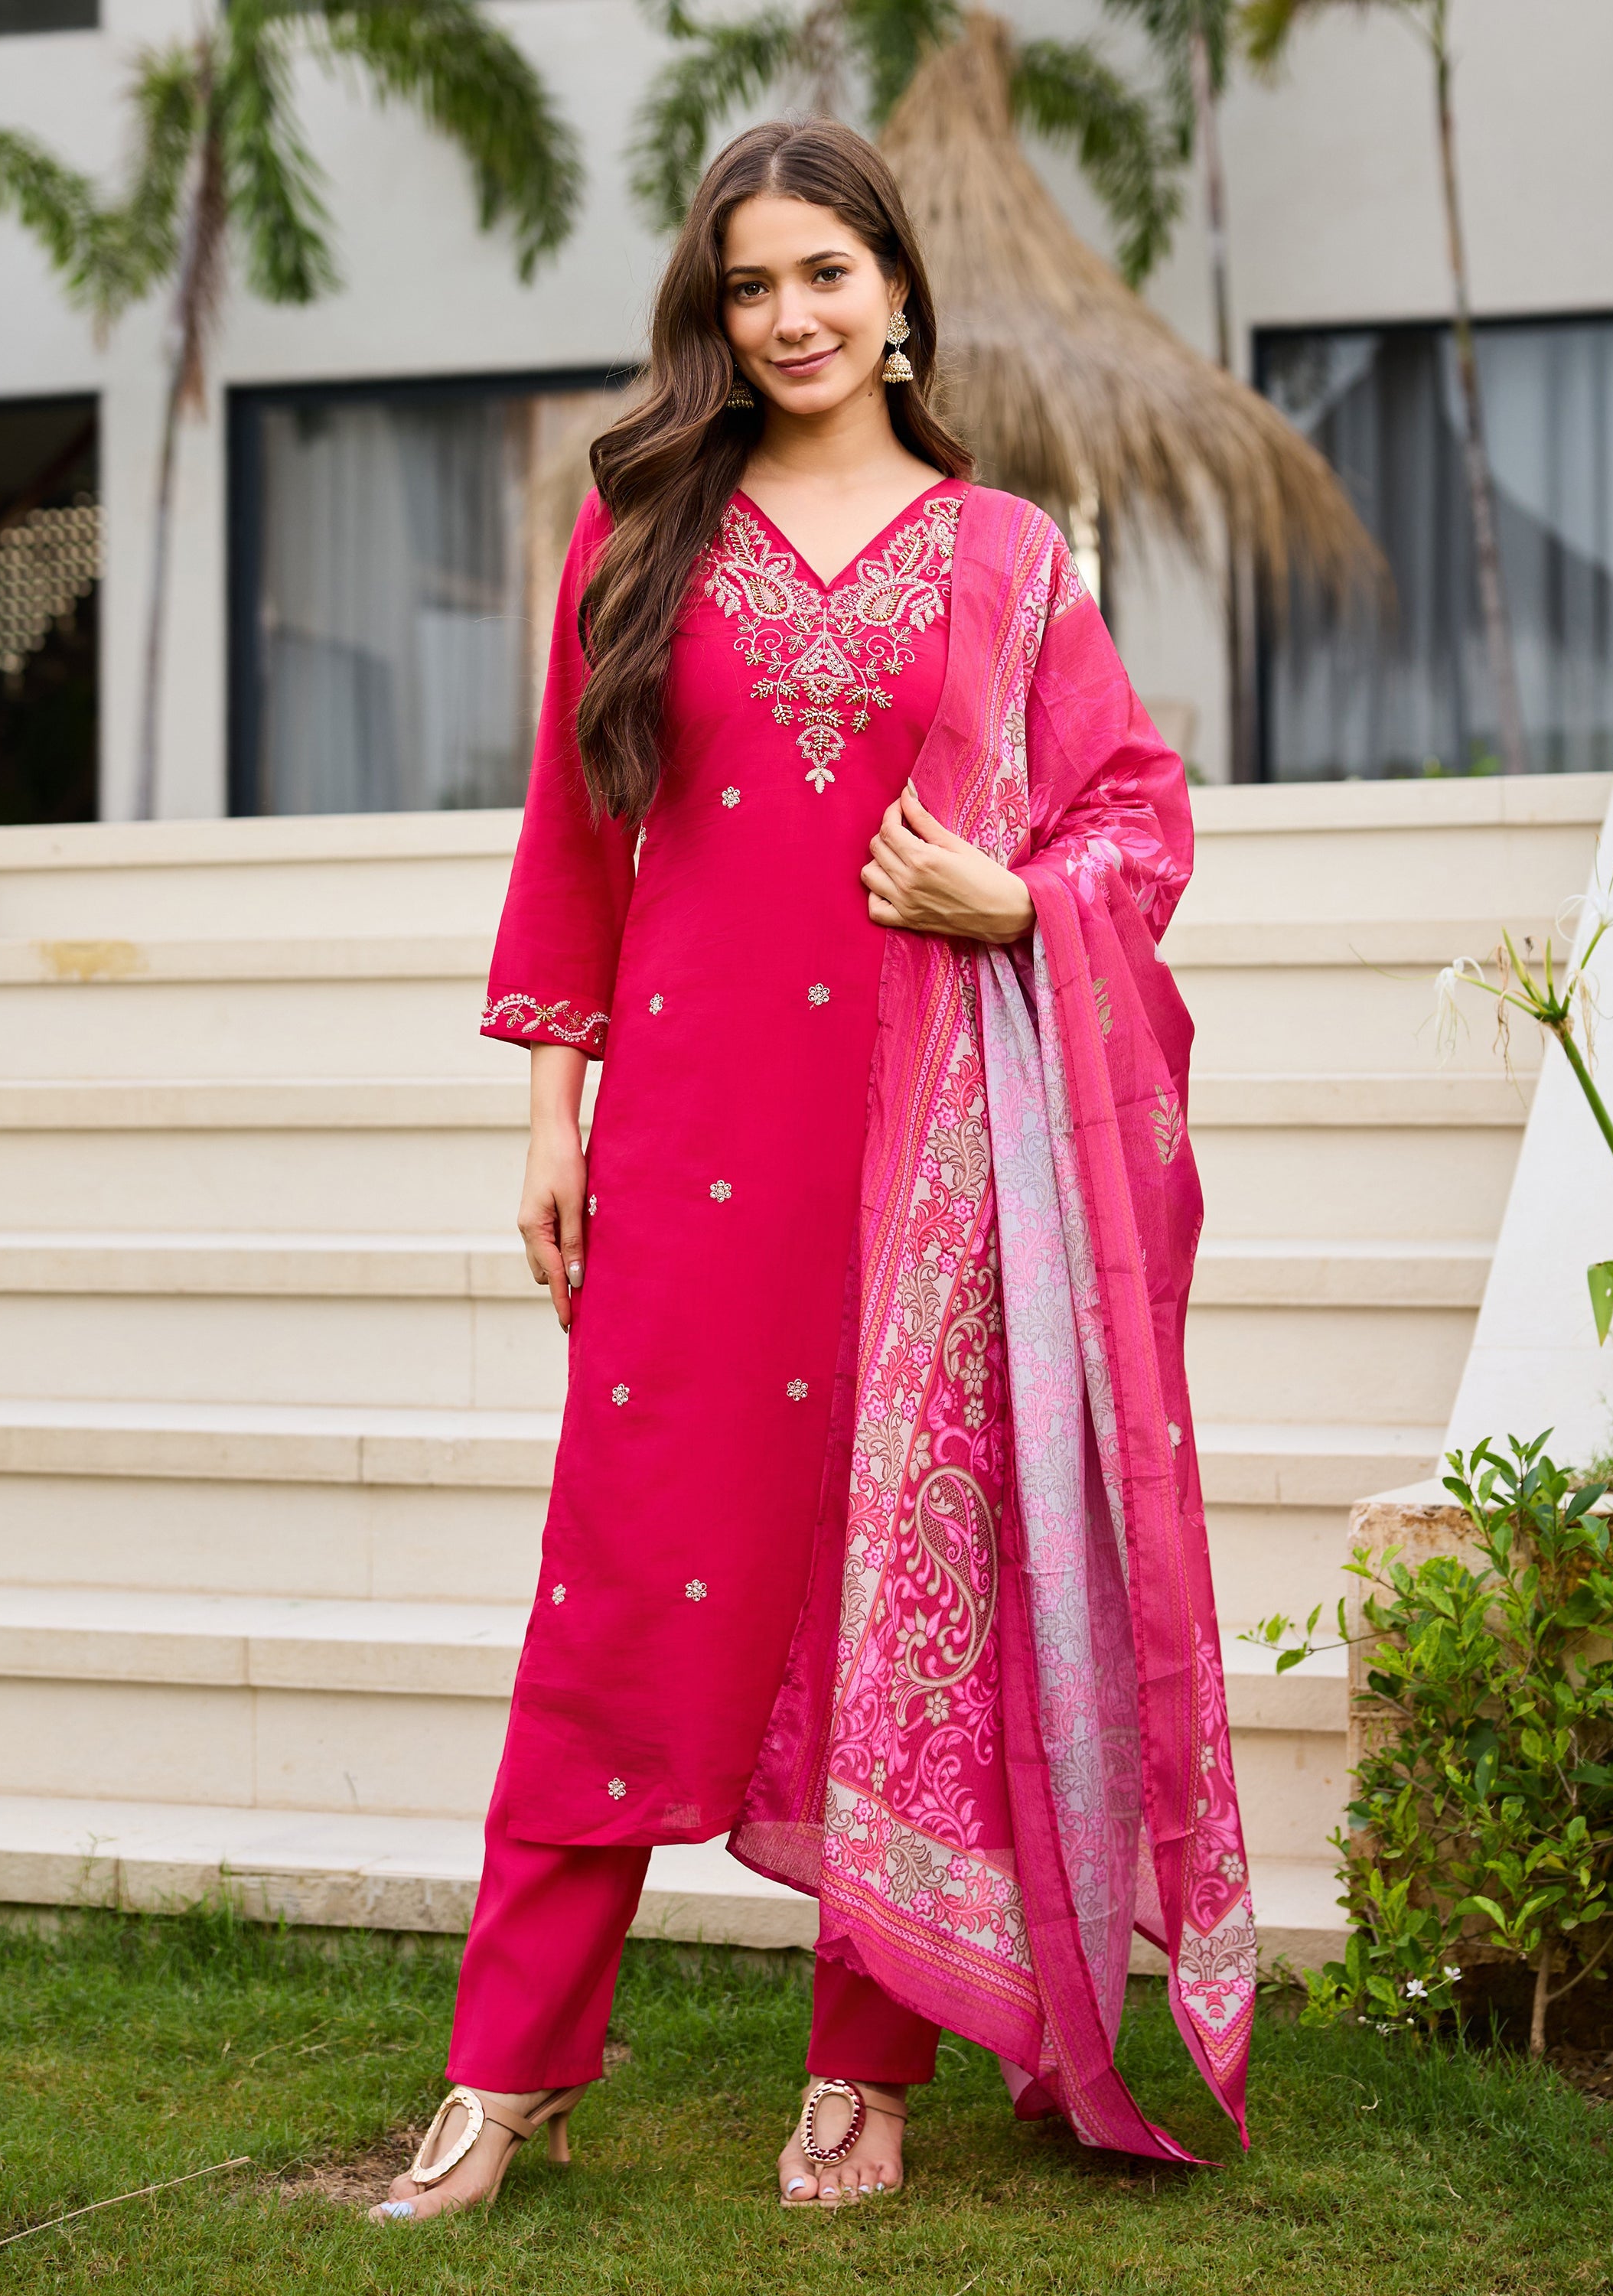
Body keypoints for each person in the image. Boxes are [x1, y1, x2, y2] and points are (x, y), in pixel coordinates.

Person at [371, 116, 1254, 2226]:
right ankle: (507, 2065)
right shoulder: (642, 525)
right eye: (751, 283)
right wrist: (548, 1111)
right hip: (687, 1150)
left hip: (926, 1157)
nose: (788, 317)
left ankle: (863, 2065)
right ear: (715, 303)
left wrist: (1011, 899)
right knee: (610, 1596)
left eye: (824, 277)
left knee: (891, 1598)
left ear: (896, 295)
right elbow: (576, 840)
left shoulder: (1006, 556)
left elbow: (1136, 813)